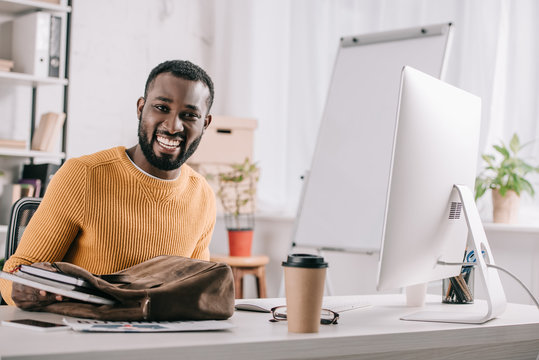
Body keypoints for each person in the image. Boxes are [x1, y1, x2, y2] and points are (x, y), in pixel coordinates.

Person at [0, 60, 216, 307]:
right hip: (84, 334)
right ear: (141, 108)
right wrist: (24, 288)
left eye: (189, 115)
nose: (173, 126)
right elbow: (14, 273)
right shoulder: (82, 175)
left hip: (158, 335)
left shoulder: (203, 196)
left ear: (205, 124)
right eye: (161, 107)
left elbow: (194, 290)